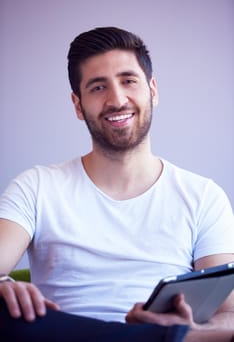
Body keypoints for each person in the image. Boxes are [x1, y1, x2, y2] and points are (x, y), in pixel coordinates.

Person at [0, 26, 234, 341]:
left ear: (152, 89)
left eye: (128, 81)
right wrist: (5, 284)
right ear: (78, 105)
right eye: (98, 87)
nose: (117, 99)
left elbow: (230, 316)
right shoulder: (37, 186)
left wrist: (186, 326)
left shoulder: (203, 196)